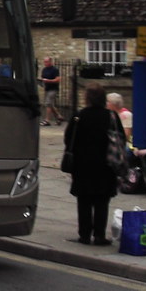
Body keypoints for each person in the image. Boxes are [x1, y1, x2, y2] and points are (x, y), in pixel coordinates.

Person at [64, 83, 123, 245]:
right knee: (102, 201)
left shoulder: (79, 116)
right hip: (106, 165)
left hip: (82, 165)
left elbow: (69, 139)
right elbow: (121, 139)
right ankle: (99, 235)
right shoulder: (111, 116)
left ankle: (84, 235)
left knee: (84, 201)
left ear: (87, 98)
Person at [40, 57, 63, 125]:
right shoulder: (44, 70)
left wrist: (48, 81)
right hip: (47, 88)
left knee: (48, 103)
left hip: (53, 89)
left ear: (50, 62)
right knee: (50, 104)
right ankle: (59, 117)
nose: (45, 63)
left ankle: (47, 120)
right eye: (44, 62)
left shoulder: (55, 70)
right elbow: (43, 78)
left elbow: (58, 79)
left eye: (46, 62)